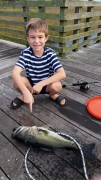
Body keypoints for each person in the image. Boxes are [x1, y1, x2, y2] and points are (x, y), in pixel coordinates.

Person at [10, 18, 66, 112]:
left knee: (57, 86)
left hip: (47, 85)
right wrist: (25, 91)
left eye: (40, 37)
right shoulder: (26, 53)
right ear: (27, 38)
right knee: (16, 82)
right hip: (31, 86)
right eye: (32, 37)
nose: (36, 41)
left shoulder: (50, 53)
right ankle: (27, 95)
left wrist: (41, 83)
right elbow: (15, 73)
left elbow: (62, 74)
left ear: (46, 38)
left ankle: (52, 95)